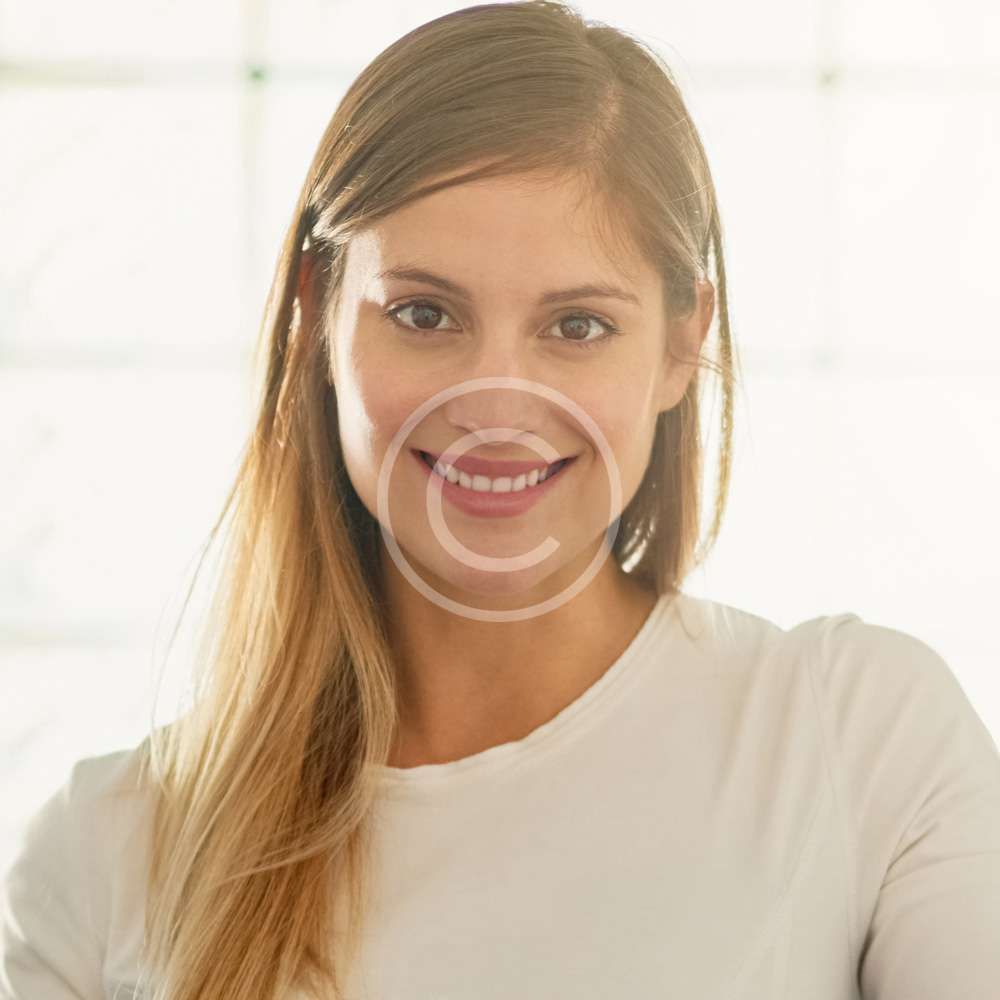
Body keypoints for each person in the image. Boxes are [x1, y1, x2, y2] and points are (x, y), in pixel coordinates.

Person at [3, 2, 999, 998]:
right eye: (423, 313)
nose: (491, 407)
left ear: (680, 345)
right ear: (317, 313)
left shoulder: (856, 739)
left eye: (577, 326)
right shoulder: (104, 859)